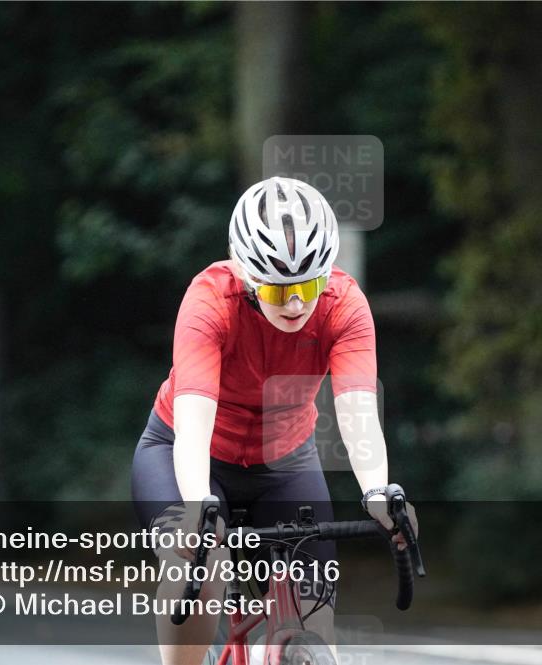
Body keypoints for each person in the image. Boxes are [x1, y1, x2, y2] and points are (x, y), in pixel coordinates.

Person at [131, 176, 413, 665]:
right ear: (244, 272)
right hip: (186, 453)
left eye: (309, 285)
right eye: (279, 291)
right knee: (202, 570)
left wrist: (376, 492)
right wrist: (198, 507)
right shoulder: (209, 301)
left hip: (285, 463)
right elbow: (194, 423)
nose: (297, 304)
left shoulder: (344, 305)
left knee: (314, 617)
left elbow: (358, 413)